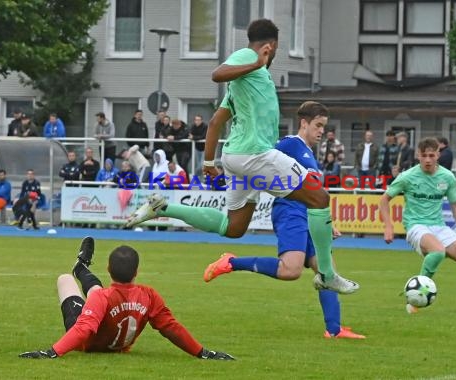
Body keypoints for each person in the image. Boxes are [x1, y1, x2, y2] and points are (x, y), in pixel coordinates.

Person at [126, 19, 356, 294]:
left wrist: (209, 162)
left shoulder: (243, 84)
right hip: (255, 154)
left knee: (233, 227)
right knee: (320, 198)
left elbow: (214, 123)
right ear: (270, 46)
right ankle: (328, 275)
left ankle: (162, 208)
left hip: (235, 158)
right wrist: (256, 63)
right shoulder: (249, 59)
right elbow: (217, 73)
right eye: (276, 50)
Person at [203, 101, 362, 339]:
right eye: (318, 125)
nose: (321, 131)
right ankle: (231, 262)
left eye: (324, 127)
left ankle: (334, 329)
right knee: (291, 270)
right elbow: (260, 168)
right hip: (290, 211)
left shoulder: (308, 152)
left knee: (326, 270)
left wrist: (326, 224)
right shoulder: (289, 145)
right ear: (304, 123)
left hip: (308, 213)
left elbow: (313, 194)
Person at [19, 237, 234, 360]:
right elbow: (171, 328)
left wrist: (51, 353)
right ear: (137, 271)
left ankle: (78, 268)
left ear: (108, 269)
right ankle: (81, 267)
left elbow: (83, 330)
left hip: (87, 344)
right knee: (96, 293)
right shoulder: (149, 295)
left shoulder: (103, 299)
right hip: (118, 341)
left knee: (65, 280)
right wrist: (203, 353)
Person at [379, 137, 456, 317]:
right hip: (416, 225)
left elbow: (455, 206)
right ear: (418, 155)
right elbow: (384, 200)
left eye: (432, 155)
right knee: (438, 251)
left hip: (438, 226)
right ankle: (415, 299)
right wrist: (388, 227)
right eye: (424, 156)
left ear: (438, 154)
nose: (428, 160)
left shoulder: (447, 177)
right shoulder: (407, 177)